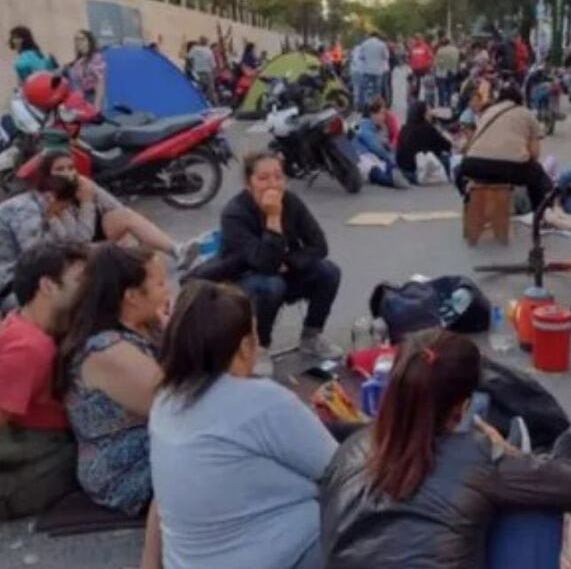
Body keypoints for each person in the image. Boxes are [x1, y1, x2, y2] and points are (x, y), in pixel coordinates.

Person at [320, 329, 571, 568]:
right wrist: (512, 456)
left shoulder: (347, 451)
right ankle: (539, 466)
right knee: (534, 508)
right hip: (499, 474)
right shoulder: (477, 459)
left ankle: (538, 471)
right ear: (462, 407)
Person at [147, 281, 338, 569]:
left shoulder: (166, 398)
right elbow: (339, 470)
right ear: (244, 346)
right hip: (284, 555)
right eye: (255, 334)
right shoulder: (262, 401)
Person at [0, 148, 196, 306]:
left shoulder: (66, 195)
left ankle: (171, 255)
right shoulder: (26, 210)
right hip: (12, 278)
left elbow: (78, 237)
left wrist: (86, 205)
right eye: (60, 169)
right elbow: (37, 260)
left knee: (110, 244)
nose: (69, 174)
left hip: (55, 254)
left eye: (71, 168)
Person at [54, 245, 167, 515]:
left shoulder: (143, 325)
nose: (167, 291)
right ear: (131, 297)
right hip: (124, 472)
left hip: (153, 445)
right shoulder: (106, 350)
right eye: (160, 284)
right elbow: (175, 403)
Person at [214, 152, 341, 371]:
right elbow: (261, 263)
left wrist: (289, 262)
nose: (272, 184)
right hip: (244, 278)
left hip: (282, 268)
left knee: (328, 271)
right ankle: (259, 346)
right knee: (271, 285)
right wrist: (273, 216)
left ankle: (311, 335)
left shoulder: (291, 201)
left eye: (278, 177)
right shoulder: (234, 214)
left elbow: (319, 246)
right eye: (263, 178)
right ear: (248, 183)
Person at [0, 243, 87, 519]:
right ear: (48, 286)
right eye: (79, 280)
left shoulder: (23, 323)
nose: (86, 288)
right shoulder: (31, 348)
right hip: (34, 443)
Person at [458, 84, 553, 210]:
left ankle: (469, 198)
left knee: (458, 172)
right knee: (537, 175)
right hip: (509, 168)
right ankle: (540, 213)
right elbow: (534, 154)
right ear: (520, 99)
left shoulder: (487, 112)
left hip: (473, 165)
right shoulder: (526, 114)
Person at [355, 98, 411, 189]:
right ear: (373, 114)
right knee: (374, 170)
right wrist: (390, 156)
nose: (384, 117)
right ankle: (392, 181)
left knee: (384, 166)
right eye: (381, 113)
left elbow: (385, 144)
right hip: (360, 156)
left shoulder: (379, 127)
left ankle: (398, 177)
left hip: (371, 157)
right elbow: (375, 146)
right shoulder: (362, 125)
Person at [396, 100, 452, 182]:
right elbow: (446, 146)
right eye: (429, 111)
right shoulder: (428, 128)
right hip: (418, 166)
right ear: (424, 114)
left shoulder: (405, 128)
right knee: (449, 160)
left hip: (404, 167)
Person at [67, 30, 106, 107]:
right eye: (76, 39)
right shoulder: (78, 61)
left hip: (91, 99)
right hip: (79, 100)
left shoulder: (96, 58)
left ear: (89, 42)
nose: (79, 42)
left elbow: (99, 83)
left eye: (82, 39)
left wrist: (96, 105)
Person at [359, 31, 389, 109]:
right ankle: (376, 105)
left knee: (364, 88)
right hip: (378, 71)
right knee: (377, 89)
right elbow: (386, 56)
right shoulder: (382, 44)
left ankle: (364, 105)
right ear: (377, 36)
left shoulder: (364, 44)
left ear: (370, 36)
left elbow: (361, 57)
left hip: (367, 70)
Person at [187, 36, 217, 104]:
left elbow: (189, 58)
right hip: (207, 73)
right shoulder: (209, 51)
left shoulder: (194, 49)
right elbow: (213, 65)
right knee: (211, 91)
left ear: (199, 41)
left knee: (198, 90)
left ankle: (196, 103)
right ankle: (214, 105)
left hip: (196, 73)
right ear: (206, 42)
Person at [434, 32, 461, 108]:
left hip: (442, 73)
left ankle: (442, 105)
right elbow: (458, 61)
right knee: (450, 90)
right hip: (453, 72)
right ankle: (449, 105)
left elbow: (437, 63)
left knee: (442, 91)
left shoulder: (440, 51)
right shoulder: (455, 50)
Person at [408, 33, 435, 101]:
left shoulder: (425, 47)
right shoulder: (412, 48)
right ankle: (415, 99)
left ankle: (425, 100)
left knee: (425, 86)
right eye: (416, 39)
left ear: (422, 39)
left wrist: (428, 66)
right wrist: (410, 64)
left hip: (424, 70)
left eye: (418, 39)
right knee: (415, 86)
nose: (417, 40)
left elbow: (430, 57)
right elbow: (409, 57)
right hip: (415, 70)